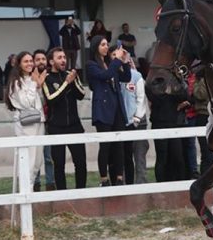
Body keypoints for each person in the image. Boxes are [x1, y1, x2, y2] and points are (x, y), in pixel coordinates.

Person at [87, 37, 131, 186]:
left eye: (106, 44)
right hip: (103, 109)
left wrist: (124, 62)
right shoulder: (91, 65)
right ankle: (104, 178)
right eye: (103, 45)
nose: (106, 47)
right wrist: (116, 61)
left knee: (119, 145)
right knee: (105, 146)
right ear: (95, 47)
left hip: (117, 107)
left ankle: (119, 177)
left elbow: (126, 77)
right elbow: (105, 76)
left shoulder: (110, 63)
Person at [43, 47, 88, 190]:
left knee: (80, 162)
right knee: (59, 164)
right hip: (56, 127)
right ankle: (61, 195)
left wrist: (72, 81)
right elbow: (51, 99)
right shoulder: (47, 78)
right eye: (59, 58)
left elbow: (81, 95)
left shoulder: (71, 75)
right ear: (51, 61)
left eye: (64, 57)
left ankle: (81, 192)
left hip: (74, 126)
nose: (63, 60)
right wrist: (66, 83)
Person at [5, 52, 46, 191]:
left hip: (39, 121)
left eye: (31, 61)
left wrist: (37, 84)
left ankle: (30, 190)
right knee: (29, 160)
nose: (29, 64)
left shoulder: (32, 78)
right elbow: (26, 103)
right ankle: (25, 194)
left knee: (37, 161)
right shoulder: (16, 82)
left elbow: (37, 101)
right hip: (26, 123)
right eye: (25, 61)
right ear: (19, 64)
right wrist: (35, 84)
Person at [120, 56, 148, 184]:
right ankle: (125, 184)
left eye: (128, 60)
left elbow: (141, 99)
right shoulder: (116, 76)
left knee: (139, 156)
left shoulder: (137, 76)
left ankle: (141, 184)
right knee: (125, 156)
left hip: (139, 122)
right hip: (123, 123)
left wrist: (136, 119)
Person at [32, 49, 55, 190]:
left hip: (49, 121)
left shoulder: (50, 77)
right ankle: (35, 183)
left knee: (48, 156)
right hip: (34, 122)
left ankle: (50, 183)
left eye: (43, 59)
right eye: (38, 59)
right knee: (35, 156)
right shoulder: (29, 79)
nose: (41, 61)